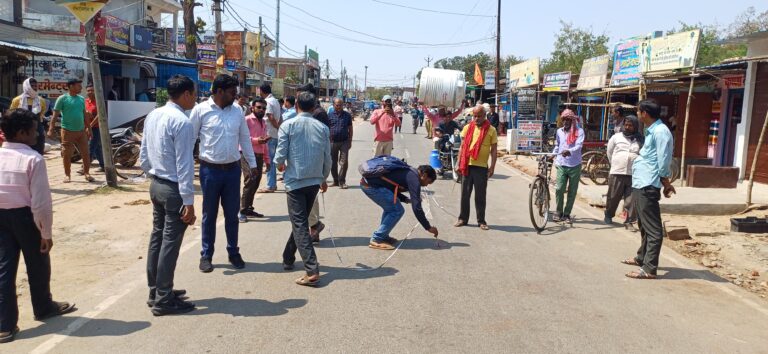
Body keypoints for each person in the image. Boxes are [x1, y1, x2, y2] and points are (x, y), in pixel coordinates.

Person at [0, 109, 76, 343]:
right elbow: (41, 202)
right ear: (22, 133)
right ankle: (43, 307)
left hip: (1, 216)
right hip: (25, 217)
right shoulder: (33, 159)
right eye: (34, 129)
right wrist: (46, 233)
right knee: (38, 263)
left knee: (4, 268)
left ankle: (4, 325)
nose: (38, 133)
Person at [139, 75, 198, 316]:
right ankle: (163, 297)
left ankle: (156, 291)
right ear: (185, 94)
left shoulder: (154, 115)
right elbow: (185, 165)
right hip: (172, 187)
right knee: (169, 244)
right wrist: (189, 202)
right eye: (193, 94)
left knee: (157, 239)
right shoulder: (182, 122)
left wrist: (150, 176)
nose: (194, 98)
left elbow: (144, 152)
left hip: (156, 184)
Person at [190, 74, 259, 273]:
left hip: (232, 171)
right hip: (209, 171)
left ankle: (233, 252)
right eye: (232, 92)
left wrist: (252, 164)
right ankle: (206, 254)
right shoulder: (200, 110)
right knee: (208, 215)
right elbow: (190, 139)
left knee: (232, 214)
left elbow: (245, 139)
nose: (235, 96)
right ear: (219, 91)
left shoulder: (237, 111)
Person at [275, 91, 331, 287]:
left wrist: (279, 164)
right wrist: (324, 178)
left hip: (296, 181)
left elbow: (280, 155)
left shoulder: (288, 125)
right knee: (299, 221)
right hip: (314, 181)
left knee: (299, 223)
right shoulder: (322, 127)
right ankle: (288, 257)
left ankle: (311, 269)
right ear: (314, 106)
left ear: (296, 104)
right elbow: (328, 157)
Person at [623, 99, 675, 280]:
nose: (637, 114)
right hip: (641, 182)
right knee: (643, 225)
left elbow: (664, 159)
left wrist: (666, 182)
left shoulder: (661, 132)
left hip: (648, 184)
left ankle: (649, 268)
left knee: (653, 229)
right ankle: (641, 258)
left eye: (639, 112)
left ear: (645, 113)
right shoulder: (652, 130)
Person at [361, 160, 439, 250]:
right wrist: (428, 227)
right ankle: (377, 239)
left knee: (391, 209)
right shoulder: (414, 179)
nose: (426, 185)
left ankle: (383, 235)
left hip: (369, 183)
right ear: (424, 175)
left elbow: (391, 186)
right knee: (397, 210)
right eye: (428, 182)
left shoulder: (410, 172)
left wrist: (405, 199)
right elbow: (417, 208)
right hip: (372, 186)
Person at [455, 106, 498, 231]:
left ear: (485, 116)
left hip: (481, 168)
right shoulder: (467, 127)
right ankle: (462, 219)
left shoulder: (491, 130)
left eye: (479, 116)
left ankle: (481, 221)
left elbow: (494, 150)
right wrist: (458, 162)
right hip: (466, 165)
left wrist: (492, 167)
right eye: (475, 116)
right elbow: (462, 147)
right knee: (465, 194)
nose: (476, 118)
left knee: (480, 196)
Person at [47, 78, 93, 183]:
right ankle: (67, 175)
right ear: (71, 86)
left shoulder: (81, 99)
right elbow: (54, 116)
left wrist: (89, 129)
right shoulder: (62, 99)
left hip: (81, 131)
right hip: (67, 131)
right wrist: (50, 129)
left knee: (86, 153)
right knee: (67, 154)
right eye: (78, 85)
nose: (81, 88)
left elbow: (85, 115)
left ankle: (87, 173)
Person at [605, 115, 643, 227]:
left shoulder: (640, 139)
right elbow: (609, 152)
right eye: (626, 124)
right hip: (617, 172)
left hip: (634, 173)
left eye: (630, 125)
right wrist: (616, 163)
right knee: (613, 197)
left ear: (635, 126)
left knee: (631, 200)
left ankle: (629, 221)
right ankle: (608, 215)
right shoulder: (616, 137)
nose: (627, 127)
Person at [239, 97, 270, 222]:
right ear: (252, 108)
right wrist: (257, 140)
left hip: (259, 155)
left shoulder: (263, 122)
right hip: (247, 154)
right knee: (250, 181)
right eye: (259, 107)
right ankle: (241, 211)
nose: (261, 110)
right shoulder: (246, 120)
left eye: (263, 108)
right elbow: (243, 138)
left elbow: (265, 143)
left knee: (256, 182)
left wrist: (267, 160)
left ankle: (248, 208)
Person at [552, 109, 584, 223]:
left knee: (572, 191)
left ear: (572, 120)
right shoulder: (559, 131)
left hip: (574, 164)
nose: (566, 122)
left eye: (568, 120)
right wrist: (553, 154)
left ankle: (567, 214)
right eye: (564, 119)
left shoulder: (579, 131)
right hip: (561, 163)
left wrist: (569, 151)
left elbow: (579, 146)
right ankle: (558, 211)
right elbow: (557, 145)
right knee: (559, 189)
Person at [10, 78, 47, 155]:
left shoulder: (41, 100)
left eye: (36, 86)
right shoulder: (17, 100)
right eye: (32, 85)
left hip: (37, 127)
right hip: (21, 128)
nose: (34, 87)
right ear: (26, 86)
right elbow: (12, 113)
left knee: (38, 146)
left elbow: (42, 112)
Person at [259, 83, 282, 193]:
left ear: (262, 91)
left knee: (270, 160)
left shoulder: (268, 102)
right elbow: (280, 117)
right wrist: (279, 128)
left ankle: (271, 185)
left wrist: (277, 127)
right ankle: (272, 183)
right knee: (272, 159)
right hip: (274, 134)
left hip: (269, 134)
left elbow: (271, 117)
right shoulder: (276, 101)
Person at [329, 98, 353, 189]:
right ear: (334, 105)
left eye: (340, 105)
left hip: (344, 142)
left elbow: (350, 128)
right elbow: (327, 128)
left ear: (343, 105)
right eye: (337, 105)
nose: (339, 107)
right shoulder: (329, 115)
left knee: (344, 162)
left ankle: (342, 181)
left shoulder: (347, 115)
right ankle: (335, 180)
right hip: (332, 142)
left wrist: (350, 140)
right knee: (332, 162)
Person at [85, 85, 104, 172]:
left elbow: (99, 115)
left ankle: (85, 167)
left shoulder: (99, 102)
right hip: (85, 128)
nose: (90, 92)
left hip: (96, 128)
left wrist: (91, 125)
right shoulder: (85, 102)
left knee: (91, 147)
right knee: (97, 147)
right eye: (88, 90)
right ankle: (103, 165)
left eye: (92, 90)